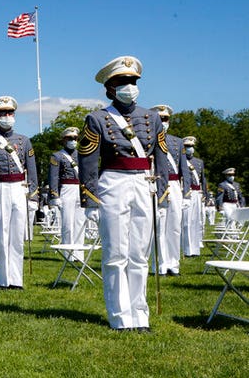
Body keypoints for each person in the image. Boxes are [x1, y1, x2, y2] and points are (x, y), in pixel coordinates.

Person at [78, 55, 169, 332]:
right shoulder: (97, 119)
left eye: (133, 81)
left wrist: (162, 192)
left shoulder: (152, 117)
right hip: (113, 182)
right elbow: (88, 161)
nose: (130, 86)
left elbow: (161, 156)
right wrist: (90, 199)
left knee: (140, 253)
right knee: (116, 253)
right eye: (123, 82)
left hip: (144, 181)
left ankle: (140, 315)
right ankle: (120, 316)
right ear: (110, 88)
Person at [0, 96, 38, 289]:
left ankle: (16, 280)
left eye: (10, 113)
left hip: (19, 188)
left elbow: (33, 170)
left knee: (18, 236)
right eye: (3, 113)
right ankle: (3, 280)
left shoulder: (24, 141)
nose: (7, 117)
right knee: (1, 236)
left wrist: (34, 196)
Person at [151, 104, 188, 276]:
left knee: (174, 227)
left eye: (165, 119)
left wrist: (186, 193)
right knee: (159, 226)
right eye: (160, 119)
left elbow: (184, 170)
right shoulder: (147, 140)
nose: (163, 122)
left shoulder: (177, 141)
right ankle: (160, 264)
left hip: (174, 186)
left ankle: (174, 264)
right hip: (155, 185)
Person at [48, 127, 84, 259]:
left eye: (75, 138)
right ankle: (69, 254)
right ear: (64, 140)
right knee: (68, 223)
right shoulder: (57, 156)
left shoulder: (81, 154)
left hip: (80, 188)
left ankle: (79, 254)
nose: (73, 141)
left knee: (80, 222)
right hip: (66, 189)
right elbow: (53, 177)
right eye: (70, 138)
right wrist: (54, 195)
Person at [181, 136, 206, 257]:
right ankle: (187, 249)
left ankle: (196, 249)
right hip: (186, 192)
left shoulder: (199, 162)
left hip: (197, 193)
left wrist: (204, 194)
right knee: (186, 222)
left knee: (196, 221)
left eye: (191, 146)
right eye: (187, 146)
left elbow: (203, 180)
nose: (190, 149)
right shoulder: (180, 160)